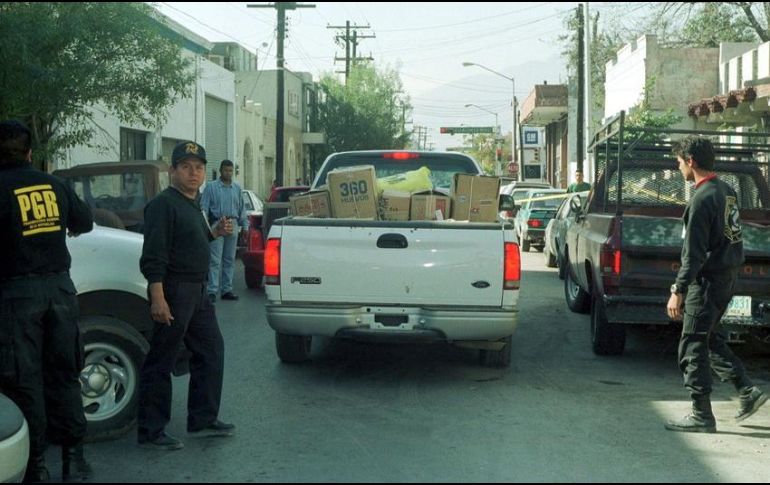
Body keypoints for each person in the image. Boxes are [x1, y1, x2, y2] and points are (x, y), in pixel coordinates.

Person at [0, 120, 93, 481]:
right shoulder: (54, 185)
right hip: (59, 292)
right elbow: (83, 221)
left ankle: (35, 465)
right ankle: (74, 459)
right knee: (65, 374)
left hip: (16, 297)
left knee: (24, 381)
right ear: (29, 152)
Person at [665, 136, 767, 433]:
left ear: (691, 161)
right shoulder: (727, 190)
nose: (678, 166)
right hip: (727, 276)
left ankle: (701, 415)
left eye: (679, 161)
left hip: (707, 282)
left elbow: (693, 254)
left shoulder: (701, 199)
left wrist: (678, 290)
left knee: (692, 344)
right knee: (708, 338)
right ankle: (747, 392)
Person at [138, 141, 235, 450]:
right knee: (161, 360)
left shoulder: (192, 202)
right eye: (186, 167)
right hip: (175, 290)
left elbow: (188, 241)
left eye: (199, 167)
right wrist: (158, 297)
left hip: (198, 291)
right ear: (173, 171)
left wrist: (214, 233)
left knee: (211, 351)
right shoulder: (163, 205)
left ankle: (203, 419)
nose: (193, 173)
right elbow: (154, 256)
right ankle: (152, 430)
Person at [200, 160, 248, 303]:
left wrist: (244, 227)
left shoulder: (237, 189)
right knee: (214, 259)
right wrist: (207, 228)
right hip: (217, 223)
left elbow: (242, 210)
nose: (228, 173)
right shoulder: (211, 187)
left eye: (231, 170)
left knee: (229, 259)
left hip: (232, 223)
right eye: (226, 170)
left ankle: (227, 289)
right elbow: (204, 208)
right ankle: (212, 291)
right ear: (220, 171)